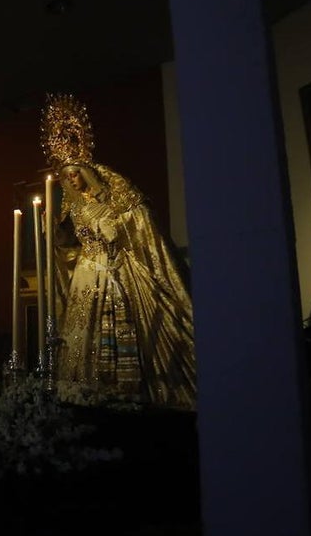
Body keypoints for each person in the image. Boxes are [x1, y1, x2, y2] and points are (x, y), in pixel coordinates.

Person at [41, 94, 197, 409]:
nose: (72, 178)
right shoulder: (72, 206)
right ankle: (82, 386)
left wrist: (115, 232)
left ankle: (123, 387)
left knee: (116, 322)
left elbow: (135, 224)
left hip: (112, 268)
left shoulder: (112, 197)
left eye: (76, 172)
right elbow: (68, 247)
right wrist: (56, 233)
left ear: (86, 171)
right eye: (67, 175)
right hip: (87, 272)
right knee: (83, 329)